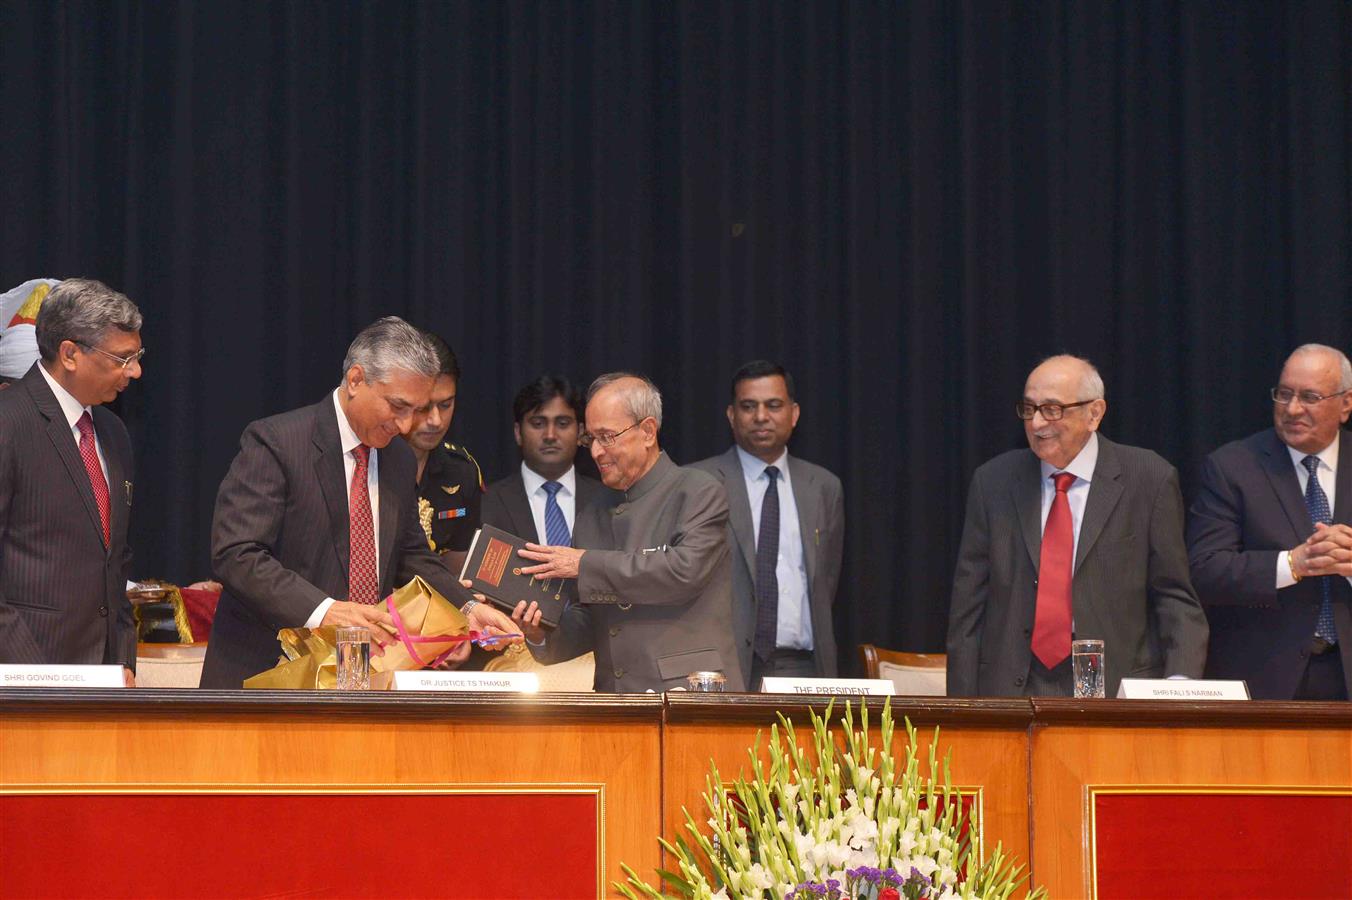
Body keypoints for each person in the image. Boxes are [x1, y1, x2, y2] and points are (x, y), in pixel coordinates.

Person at [200, 317, 517, 688]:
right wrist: (325, 611)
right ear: (355, 380)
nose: (405, 425)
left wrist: (468, 608)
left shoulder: (397, 458)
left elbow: (412, 556)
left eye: (416, 410)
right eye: (398, 406)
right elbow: (237, 555)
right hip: (268, 675)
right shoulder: (277, 442)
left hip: (361, 676)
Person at [947, 354, 1208, 697]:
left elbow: (1174, 595)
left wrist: (1180, 688)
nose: (1037, 423)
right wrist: (962, 712)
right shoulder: (993, 482)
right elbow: (968, 609)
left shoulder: (1149, 479)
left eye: (1052, 409)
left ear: (1094, 413)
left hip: (1113, 689)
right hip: (1011, 690)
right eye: (1029, 408)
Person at [507, 372, 745, 692]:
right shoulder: (591, 514)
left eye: (607, 437)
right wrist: (540, 634)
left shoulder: (698, 491)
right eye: (591, 439)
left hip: (690, 695)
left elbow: (683, 571)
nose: (595, 453)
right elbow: (590, 621)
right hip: (616, 703)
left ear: (647, 432)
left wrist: (584, 563)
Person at [1188, 344, 1352, 700]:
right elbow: (1204, 570)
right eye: (1284, 394)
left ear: (1345, 404)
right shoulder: (1232, 467)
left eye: (1310, 397)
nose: (1293, 409)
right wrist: (1292, 564)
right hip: (1266, 678)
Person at [0, 279, 144, 683]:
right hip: (22, 679)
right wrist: (36, 677)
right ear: (70, 354)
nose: (135, 371)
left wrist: (123, 661)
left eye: (136, 355)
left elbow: (116, 560)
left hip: (102, 679)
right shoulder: (8, 422)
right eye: (122, 358)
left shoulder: (113, 432)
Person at [691, 360, 843, 686]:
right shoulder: (698, 482)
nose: (761, 416)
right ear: (732, 415)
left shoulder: (824, 486)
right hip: (723, 665)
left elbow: (826, 580)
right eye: (749, 406)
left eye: (773, 405)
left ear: (794, 413)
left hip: (804, 666)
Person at [481, 375, 604, 545]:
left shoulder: (608, 501)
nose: (550, 436)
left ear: (581, 432)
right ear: (518, 433)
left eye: (562, 423)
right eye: (538, 424)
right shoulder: (486, 503)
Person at [402, 332, 484, 575]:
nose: (435, 420)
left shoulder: (461, 471)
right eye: (424, 407)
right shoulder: (367, 463)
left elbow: (457, 572)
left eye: (446, 405)